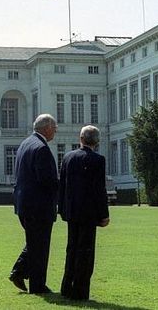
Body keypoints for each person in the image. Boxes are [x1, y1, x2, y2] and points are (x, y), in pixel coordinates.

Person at [58, 125, 110, 300]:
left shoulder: (68, 157)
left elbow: (62, 187)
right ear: (97, 141)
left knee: (71, 249)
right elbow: (99, 190)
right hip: (88, 213)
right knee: (85, 252)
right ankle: (80, 290)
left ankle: (66, 287)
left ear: (80, 139)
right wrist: (104, 214)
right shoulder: (98, 160)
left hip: (72, 211)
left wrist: (62, 209)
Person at [9, 114, 59, 294]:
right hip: (39, 206)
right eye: (54, 127)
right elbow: (47, 181)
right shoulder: (41, 148)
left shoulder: (25, 144)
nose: (56, 130)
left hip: (24, 204)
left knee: (34, 242)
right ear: (46, 128)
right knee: (40, 246)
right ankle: (37, 285)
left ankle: (19, 272)